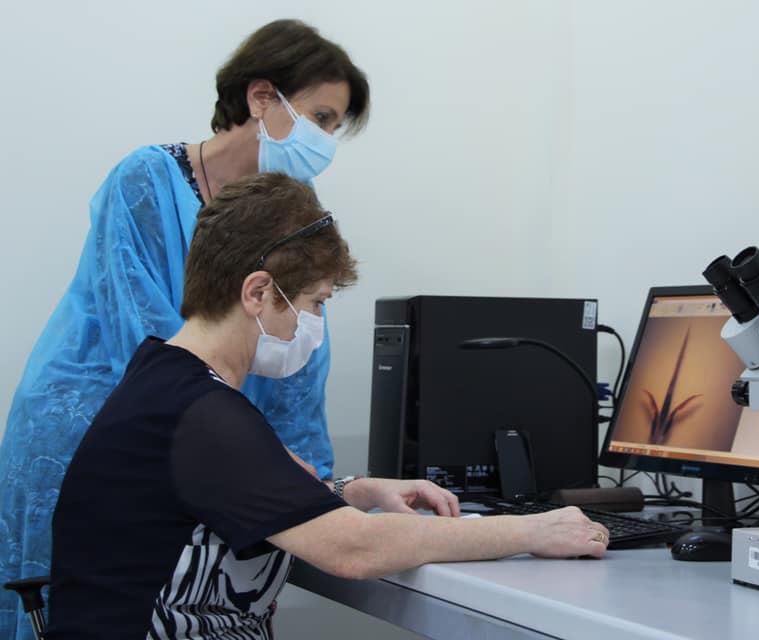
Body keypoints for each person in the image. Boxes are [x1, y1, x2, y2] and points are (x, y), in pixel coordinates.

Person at [43, 173, 610, 638]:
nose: (314, 324)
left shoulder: (164, 378)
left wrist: (355, 490)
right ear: (257, 292)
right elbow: (353, 548)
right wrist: (531, 530)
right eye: (314, 302)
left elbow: (245, 495)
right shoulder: (201, 414)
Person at [0, 19, 369, 640]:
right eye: (322, 118)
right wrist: (256, 460)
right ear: (262, 97)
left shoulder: (294, 210)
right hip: (93, 427)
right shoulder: (145, 180)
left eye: (336, 127)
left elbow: (301, 361)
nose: (327, 140)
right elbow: (146, 343)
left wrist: (314, 484)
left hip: (217, 446)